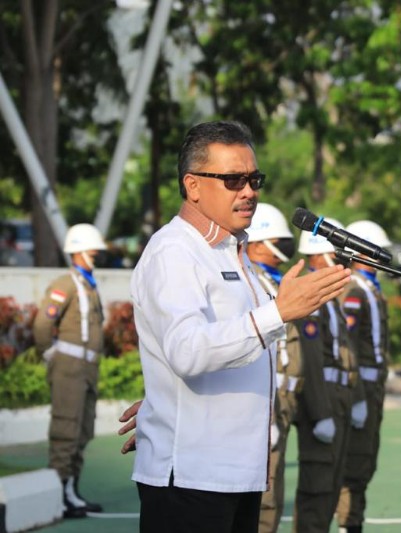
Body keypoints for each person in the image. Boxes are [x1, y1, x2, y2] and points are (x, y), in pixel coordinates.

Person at [130, 120, 351, 533]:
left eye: (254, 178)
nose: (248, 191)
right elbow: (188, 350)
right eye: (233, 180)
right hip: (194, 479)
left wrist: (160, 403)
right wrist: (278, 313)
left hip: (234, 473)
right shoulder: (174, 251)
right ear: (193, 186)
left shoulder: (231, 251)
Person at [292, 221, 365, 533]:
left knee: (332, 484)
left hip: (339, 396)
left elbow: (346, 352)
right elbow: (309, 360)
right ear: (316, 255)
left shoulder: (329, 295)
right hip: (320, 398)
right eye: (333, 253)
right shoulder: (309, 295)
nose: (339, 259)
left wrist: (356, 395)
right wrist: (320, 412)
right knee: (317, 486)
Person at [32, 223, 108, 519]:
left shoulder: (88, 284)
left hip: (87, 368)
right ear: (78, 252)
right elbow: (42, 324)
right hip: (69, 367)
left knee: (82, 430)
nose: (97, 255)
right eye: (93, 251)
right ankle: (59, 495)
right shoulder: (66, 283)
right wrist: (48, 352)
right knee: (65, 430)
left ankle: (71, 491)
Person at [245, 203, 301, 533]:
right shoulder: (251, 283)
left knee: (273, 494)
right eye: (275, 240)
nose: (284, 247)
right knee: (263, 499)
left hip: (280, 398)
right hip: (262, 399)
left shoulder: (275, 281)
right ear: (255, 244)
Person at [335, 220, 392, 533]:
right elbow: (350, 346)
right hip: (362, 387)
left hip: (373, 386)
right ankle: (347, 524)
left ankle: (353, 521)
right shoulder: (353, 288)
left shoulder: (369, 288)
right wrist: (357, 396)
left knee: (365, 459)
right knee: (354, 463)